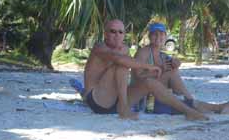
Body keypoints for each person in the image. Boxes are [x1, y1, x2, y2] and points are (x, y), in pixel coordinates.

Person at [83, 19, 211, 120]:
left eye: (120, 32)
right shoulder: (99, 48)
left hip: (118, 100)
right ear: (105, 34)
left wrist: (173, 64)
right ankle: (124, 109)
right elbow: (121, 62)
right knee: (121, 64)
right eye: (113, 31)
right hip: (98, 100)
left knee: (150, 83)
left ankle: (188, 111)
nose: (117, 35)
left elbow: (126, 75)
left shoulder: (125, 49)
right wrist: (149, 67)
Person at [131, 22, 229, 115]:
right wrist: (161, 69)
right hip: (142, 98)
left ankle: (214, 107)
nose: (158, 37)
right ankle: (210, 106)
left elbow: (172, 67)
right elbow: (138, 77)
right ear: (149, 37)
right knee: (172, 75)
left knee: (174, 74)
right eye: (155, 34)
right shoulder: (143, 52)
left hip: (157, 95)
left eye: (161, 34)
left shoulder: (163, 56)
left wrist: (176, 63)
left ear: (165, 37)